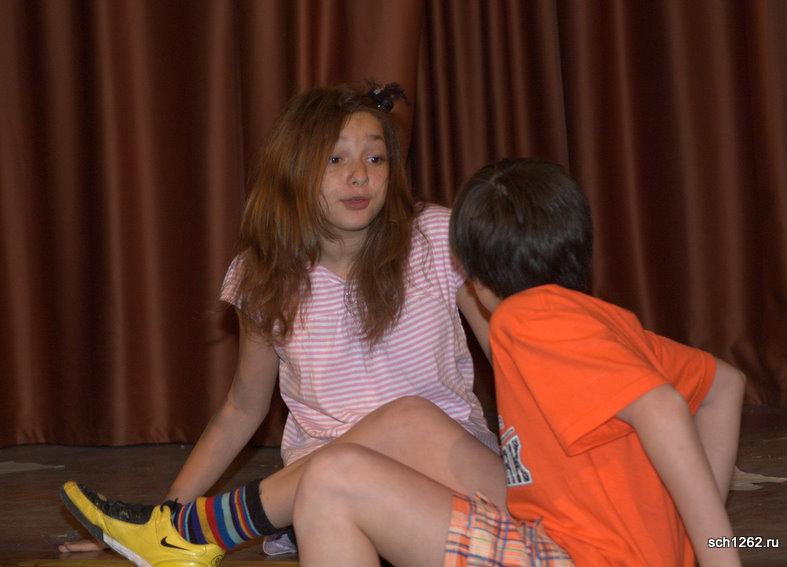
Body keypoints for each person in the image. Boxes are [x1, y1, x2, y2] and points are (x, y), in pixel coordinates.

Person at [59, 82, 506, 565]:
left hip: (451, 475)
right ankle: (174, 529)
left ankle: (199, 529)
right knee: (339, 468)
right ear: (293, 170)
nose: (359, 176)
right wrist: (163, 512)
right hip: (328, 491)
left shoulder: (438, 237)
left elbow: (513, 364)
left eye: (375, 159)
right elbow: (241, 408)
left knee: (407, 420)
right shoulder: (264, 274)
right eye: (335, 159)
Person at [285, 158, 746, 566]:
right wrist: (687, 542)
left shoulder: (523, 320)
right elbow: (725, 385)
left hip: (575, 556)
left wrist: (718, 557)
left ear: (474, 274)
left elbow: (662, 407)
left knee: (331, 480)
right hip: (560, 541)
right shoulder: (607, 322)